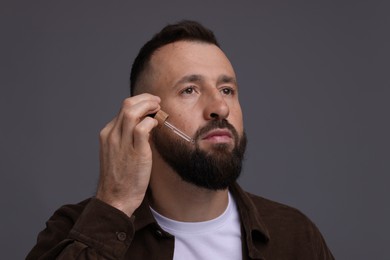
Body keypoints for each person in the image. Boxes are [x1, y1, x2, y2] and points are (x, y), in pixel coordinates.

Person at [27, 20, 334, 260]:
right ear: (147, 116)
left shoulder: (295, 235)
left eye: (227, 90)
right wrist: (113, 206)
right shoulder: (74, 228)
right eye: (190, 90)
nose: (220, 108)